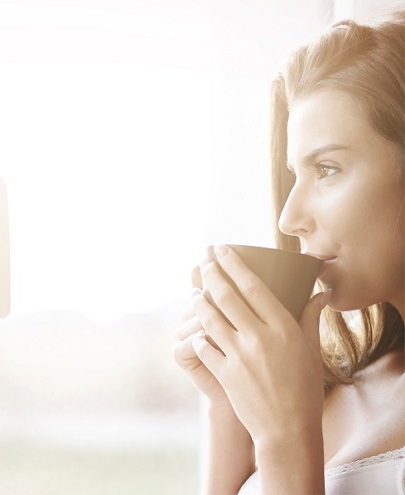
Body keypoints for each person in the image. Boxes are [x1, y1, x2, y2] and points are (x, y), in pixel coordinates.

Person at [173, 11, 405, 495]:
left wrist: (285, 442)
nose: (289, 217)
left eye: (326, 168)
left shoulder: (297, 415)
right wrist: (230, 410)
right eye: (294, 175)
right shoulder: (323, 391)